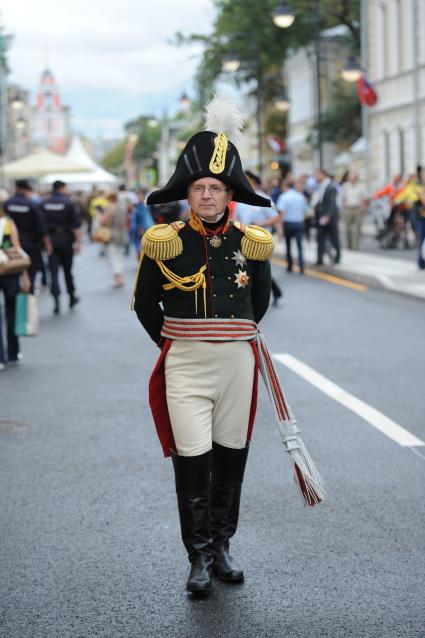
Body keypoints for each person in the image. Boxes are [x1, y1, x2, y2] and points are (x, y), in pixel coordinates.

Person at [132, 97, 273, 595]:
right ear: (187, 193)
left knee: (231, 457)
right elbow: (147, 307)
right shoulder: (163, 241)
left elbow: (259, 305)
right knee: (193, 460)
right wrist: (182, 342)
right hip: (186, 365)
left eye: (216, 187)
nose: (208, 195)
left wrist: (229, 337)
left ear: (229, 193)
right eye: (199, 187)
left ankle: (222, 547)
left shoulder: (250, 242)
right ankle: (197, 558)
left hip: (237, 364)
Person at [234, 171, 283, 305]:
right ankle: (248, 297)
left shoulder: (264, 198)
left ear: (255, 183)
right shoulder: (240, 199)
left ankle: (272, 293)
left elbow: (277, 216)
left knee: (260, 269)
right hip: (243, 239)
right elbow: (236, 217)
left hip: (260, 240)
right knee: (245, 268)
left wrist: (261, 224)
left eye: (249, 182)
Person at [41, 181, 82, 314]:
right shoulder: (68, 203)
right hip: (66, 241)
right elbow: (76, 225)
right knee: (67, 271)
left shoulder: (44, 203)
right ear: (61, 188)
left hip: (51, 242)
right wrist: (78, 242)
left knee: (53, 273)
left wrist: (47, 244)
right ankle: (71, 297)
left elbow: (41, 227)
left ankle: (56, 302)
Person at [4, 180, 52, 292]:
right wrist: (47, 243)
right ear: (26, 189)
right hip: (30, 244)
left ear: (16, 188)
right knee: (31, 271)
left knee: (12, 273)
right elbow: (41, 227)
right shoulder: (31, 204)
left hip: (10, 245)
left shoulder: (7, 204)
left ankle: (14, 296)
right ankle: (29, 294)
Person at [0, 208, 30, 369]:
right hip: (9, 270)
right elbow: (17, 249)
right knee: (11, 309)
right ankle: (13, 352)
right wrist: (24, 275)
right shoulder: (7, 223)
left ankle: (0, 357)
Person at [276, 180, 308, 274]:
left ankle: (290, 266)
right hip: (299, 223)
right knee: (300, 246)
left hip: (288, 223)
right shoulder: (301, 196)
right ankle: (301, 266)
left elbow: (282, 213)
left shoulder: (283, 197)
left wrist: (280, 228)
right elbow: (305, 210)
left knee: (288, 245)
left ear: (285, 187)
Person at [313, 168, 341, 265]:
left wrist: (328, 216)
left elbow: (332, 203)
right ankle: (320, 259)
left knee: (334, 238)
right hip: (321, 216)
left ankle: (337, 258)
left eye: (317, 175)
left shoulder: (331, 186)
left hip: (330, 217)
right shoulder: (320, 186)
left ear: (322, 174)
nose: (315, 177)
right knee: (320, 238)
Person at [101, 192, 127, 287]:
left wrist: (99, 217)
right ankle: (120, 278)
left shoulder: (110, 207)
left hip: (111, 235)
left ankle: (118, 279)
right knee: (119, 256)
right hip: (121, 234)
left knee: (113, 257)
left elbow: (106, 222)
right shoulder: (121, 207)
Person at [340, 171, 368, 250]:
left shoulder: (361, 186)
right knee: (347, 228)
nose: (352, 179)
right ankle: (349, 244)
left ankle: (355, 246)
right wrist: (343, 208)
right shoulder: (345, 186)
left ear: (357, 178)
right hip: (348, 208)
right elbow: (343, 198)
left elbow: (365, 198)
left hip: (358, 208)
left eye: (354, 178)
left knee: (357, 228)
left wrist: (364, 208)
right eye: (350, 178)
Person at [130, 189, 154, 259]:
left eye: (140, 195)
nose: (138, 197)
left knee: (142, 245)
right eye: (138, 195)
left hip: (143, 227)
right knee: (139, 245)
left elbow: (145, 218)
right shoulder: (139, 205)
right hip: (138, 227)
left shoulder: (144, 205)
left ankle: (142, 259)